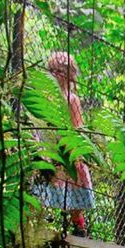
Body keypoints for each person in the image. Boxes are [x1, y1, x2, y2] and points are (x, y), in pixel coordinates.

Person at [32, 51, 94, 237]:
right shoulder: (42, 98)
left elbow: (78, 128)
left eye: (59, 71)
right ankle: (36, 223)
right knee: (43, 187)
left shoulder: (71, 99)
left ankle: (79, 226)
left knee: (73, 189)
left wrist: (75, 153)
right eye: (51, 70)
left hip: (67, 151)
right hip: (47, 149)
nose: (54, 74)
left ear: (69, 75)